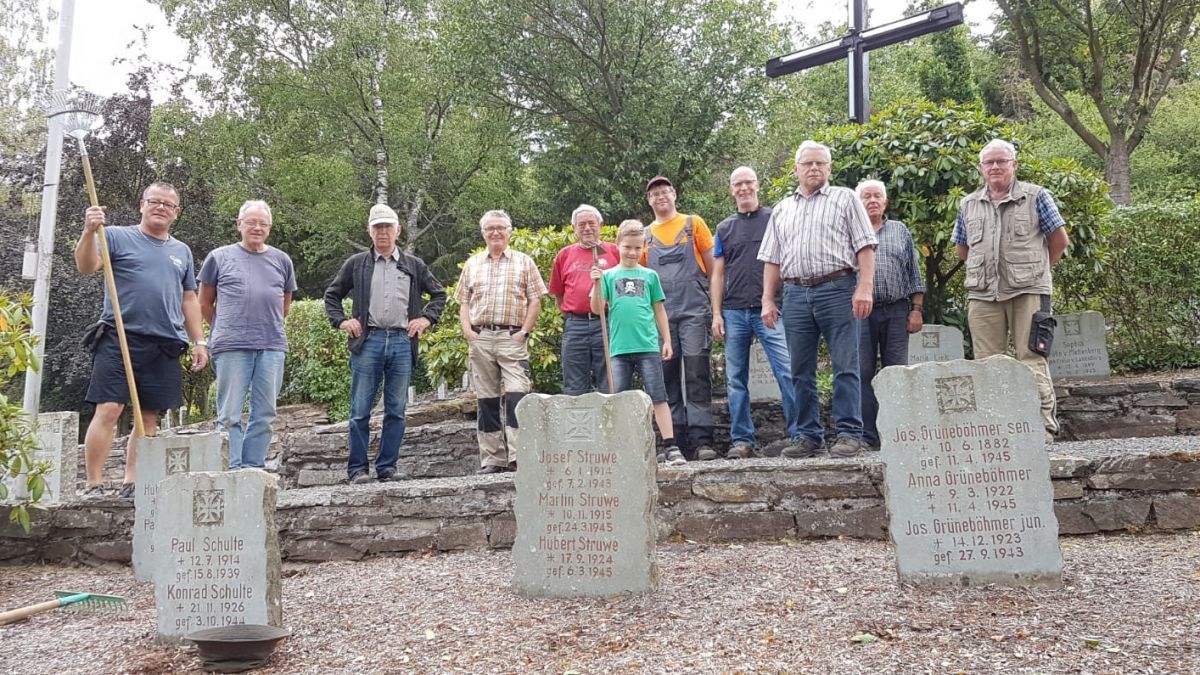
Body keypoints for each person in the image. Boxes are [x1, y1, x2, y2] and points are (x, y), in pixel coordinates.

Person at [75, 181, 208, 499]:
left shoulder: (181, 251)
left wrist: (199, 340)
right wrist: (89, 230)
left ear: (176, 213)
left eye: (168, 204)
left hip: (164, 342)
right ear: (142, 204)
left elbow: (189, 299)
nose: (161, 207)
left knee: (148, 416)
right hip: (119, 336)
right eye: (155, 201)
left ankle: (132, 481)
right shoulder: (117, 236)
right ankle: (93, 483)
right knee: (109, 408)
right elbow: (86, 266)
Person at [759, 141, 877, 459]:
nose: (814, 168)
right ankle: (808, 435)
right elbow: (772, 259)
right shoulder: (782, 208)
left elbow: (866, 246)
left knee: (845, 366)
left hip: (838, 288)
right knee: (799, 370)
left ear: (829, 168)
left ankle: (849, 433)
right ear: (796, 169)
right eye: (808, 164)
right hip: (795, 294)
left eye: (820, 164)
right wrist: (768, 300)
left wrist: (864, 288)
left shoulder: (846, 199)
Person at [952, 139, 1069, 441]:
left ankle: (1042, 427)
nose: (995, 167)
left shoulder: (1036, 196)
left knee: (1032, 358)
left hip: (1028, 291)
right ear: (981, 168)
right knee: (988, 365)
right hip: (982, 294)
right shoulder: (968, 204)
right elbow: (963, 250)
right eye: (989, 162)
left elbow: (1059, 241)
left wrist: (1036, 272)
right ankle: (998, 427)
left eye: (1001, 161)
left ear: (1014, 164)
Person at [324, 204, 446, 483]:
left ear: (398, 230)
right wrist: (343, 321)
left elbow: (439, 295)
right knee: (359, 410)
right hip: (368, 341)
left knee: (396, 410)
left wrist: (426, 319)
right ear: (369, 230)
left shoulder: (414, 265)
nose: (383, 232)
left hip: (403, 342)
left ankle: (387, 468)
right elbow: (332, 295)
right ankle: (357, 470)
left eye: (388, 226)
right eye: (378, 227)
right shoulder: (357, 264)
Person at [198, 200, 297, 469]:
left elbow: (284, 305)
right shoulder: (219, 257)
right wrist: (225, 327)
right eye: (251, 222)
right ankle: (231, 469)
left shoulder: (282, 260)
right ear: (238, 225)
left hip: (272, 345)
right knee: (229, 414)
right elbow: (204, 303)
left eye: (262, 223)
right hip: (231, 346)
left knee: (265, 413)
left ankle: (253, 469)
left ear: (270, 228)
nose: (257, 227)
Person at [711, 166, 799, 458]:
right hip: (734, 311)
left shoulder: (775, 217)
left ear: (757, 185)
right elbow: (717, 273)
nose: (744, 188)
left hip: (771, 308)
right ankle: (742, 441)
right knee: (735, 379)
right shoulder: (724, 228)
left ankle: (800, 435)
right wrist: (716, 313)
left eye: (748, 182)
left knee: (786, 371)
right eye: (738, 184)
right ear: (731, 189)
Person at [455, 210, 547, 474]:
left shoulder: (524, 261)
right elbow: (463, 301)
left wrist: (525, 332)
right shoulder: (472, 263)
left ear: (510, 231)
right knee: (487, 400)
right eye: (490, 228)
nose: (495, 232)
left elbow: (536, 300)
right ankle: (493, 459)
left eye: (500, 228)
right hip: (481, 337)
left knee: (518, 396)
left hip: (512, 337)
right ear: (483, 232)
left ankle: (520, 456)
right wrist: (468, 331)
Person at [591, 220, 684, 465]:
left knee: (658, 395)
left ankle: (670, 446)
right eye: (627, 247)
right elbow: (596, 308)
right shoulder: (608, 276)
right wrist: (596, 284)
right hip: (619, 349)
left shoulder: (650, 275)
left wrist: (667, 340)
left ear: (644, 247)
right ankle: (621, 447)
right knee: (618, 399)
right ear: (618, 246)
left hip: (648, 346)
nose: (632, 252)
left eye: (637, 247)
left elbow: (659, 310)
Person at [642, 176, 717, 460]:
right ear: (649, 201)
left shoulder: (693, 224)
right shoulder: (645, 236)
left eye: (664, 192)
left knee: (697, 374)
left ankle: (702, 440)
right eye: (654, 194)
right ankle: (674, 441)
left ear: (674, 194)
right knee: (667, 378)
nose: (660, 197)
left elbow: (713, 271)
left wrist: (715, 310)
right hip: (660, 319)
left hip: (695, 313)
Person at [854, 180, 925, 449]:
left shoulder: (899, 230)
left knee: (897, 371)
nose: (872, 200)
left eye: (877, 196)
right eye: (866, 196)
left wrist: (916, 309)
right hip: (860, 312)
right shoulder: (850, 230)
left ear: (885, 202)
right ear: (858, 202)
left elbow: (913, 274)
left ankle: (899, 433)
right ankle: (867, 436)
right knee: (862, 372)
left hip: (896, 310)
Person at [549, 204, 620, 394]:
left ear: (600, 224)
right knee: (574, 384)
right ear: (574, 228)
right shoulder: (564, 255)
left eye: (591, 223)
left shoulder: (615, 251)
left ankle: (610, 424)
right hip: (575, 325)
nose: (587, 228)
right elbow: (558, 293)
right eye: (581, 225)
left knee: (610, 382)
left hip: (607, 322)